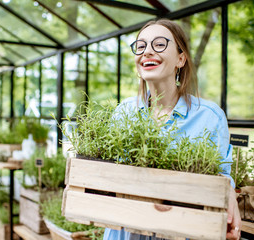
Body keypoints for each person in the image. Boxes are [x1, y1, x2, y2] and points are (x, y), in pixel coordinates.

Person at [103, 19, 241, 240]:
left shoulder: (209, 116)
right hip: (124, 233)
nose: (147, 51)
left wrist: (229, 196)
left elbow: (221, 177)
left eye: (159, 44)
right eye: (141, 46)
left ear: (181, 58)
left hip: (182, 232)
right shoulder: (123, 112)